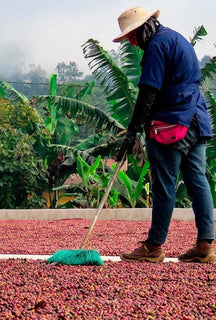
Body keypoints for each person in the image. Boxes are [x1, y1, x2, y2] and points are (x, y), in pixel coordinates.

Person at [113, 6, 216, 263]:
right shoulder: (178, 39)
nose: (133, 42)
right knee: (198, 182)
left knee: (164, 186)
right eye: (129, 38)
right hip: (196, 120)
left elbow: (148, 93)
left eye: (134, 36)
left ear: (146, 27)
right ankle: (205, 244)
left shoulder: (156, 47)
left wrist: (132, 133)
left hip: (172, 122)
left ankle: (153, 246)